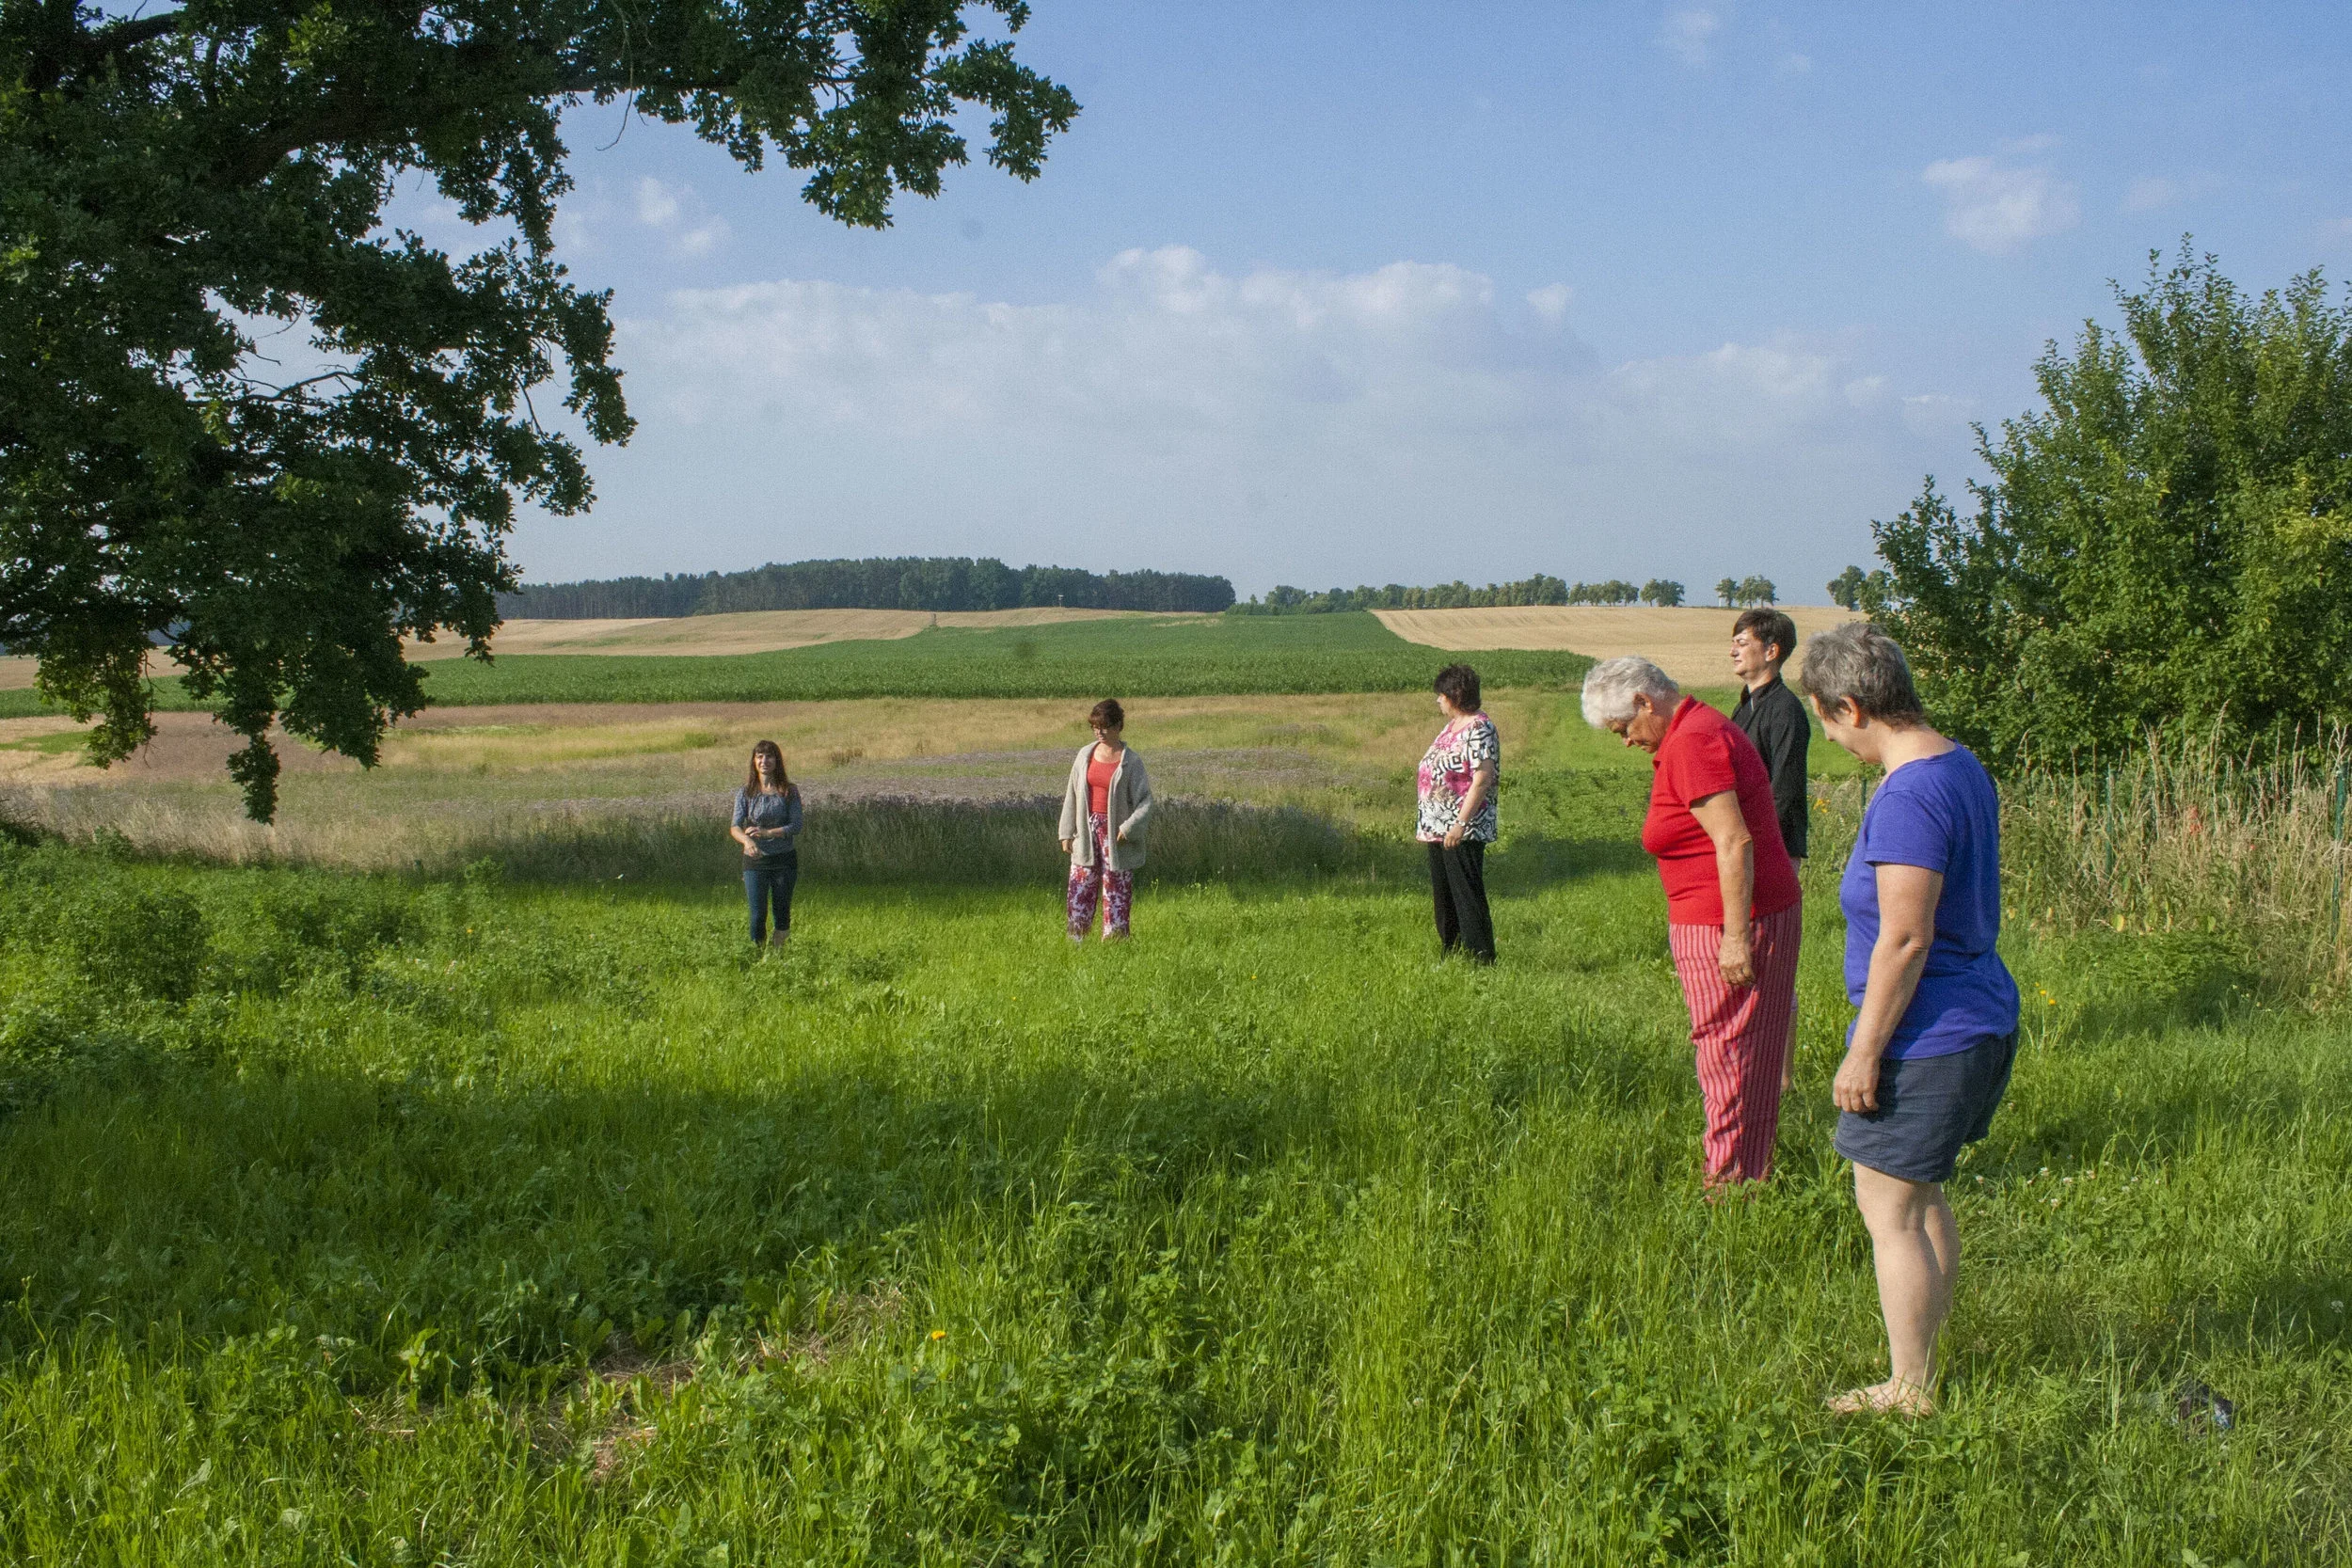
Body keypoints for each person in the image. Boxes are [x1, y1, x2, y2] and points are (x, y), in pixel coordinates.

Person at [1802, 622, 2019, 1417]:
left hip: (1929, 1034)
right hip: (1977, 1016)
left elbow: (1904, 935)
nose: (1829, 738)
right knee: (1922, 1199)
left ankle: (1910, 1387)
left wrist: (1864, 1053)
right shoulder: (1959, 765)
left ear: (1852, 706)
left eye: (1826, 722)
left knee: (1888, 1210)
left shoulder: (1909, 794)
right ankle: (1920, 1361)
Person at [1582, 656, 1801, 1185]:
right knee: (1751, 1055)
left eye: (1624, 728)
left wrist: (1733, 940)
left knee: (1725, 1058)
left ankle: (1726, 1188)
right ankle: (1752, 1178)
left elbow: (1733, 840)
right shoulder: (1698, 729)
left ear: (1644, 701)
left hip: (1730, 921)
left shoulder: (1692, 743)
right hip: (1751, 912)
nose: (1626, 742)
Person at [1418, 663, 1500, 963]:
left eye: (1441, 694)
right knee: (1444, 896)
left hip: (1463, 828)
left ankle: (1480, 959)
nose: (1437, 700)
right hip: (1437, 827)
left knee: (1466, 894)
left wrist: (1460, 823)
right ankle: (1450, 953)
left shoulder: (1479, 727)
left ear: (1455, 695)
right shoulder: (1452, 727)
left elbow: (1482, 777)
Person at [1058, 699, 1152, 941]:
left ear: (1118, 726)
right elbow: (1072, 793)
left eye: (1105, 726)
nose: (1099, 732)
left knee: (1116, 890)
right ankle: (1076, 940)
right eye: (1095, 727)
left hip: (1116, 836)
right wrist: (1066, 832)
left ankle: (1115, 943)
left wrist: (1129, 828)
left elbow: (1145, 801)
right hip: (1086, 832)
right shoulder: (1084, 755)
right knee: (1080, 887)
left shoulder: (1130, 761)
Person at [1730, 607, 1809, 861]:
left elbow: (1784, 788)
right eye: (1733, 644)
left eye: (1741, 644)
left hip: (1774, 847)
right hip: (1745, 841)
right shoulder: (1744, 707)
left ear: (1771, 651)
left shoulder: (1785, 710)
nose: (1732, 652)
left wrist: (1757, 841)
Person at [730, 739, 803, 948]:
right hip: (755, 861)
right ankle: (757, 956)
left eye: (769, 756)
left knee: (782, 913)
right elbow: (735, 826)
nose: (764, 761)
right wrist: (746, 841)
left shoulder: (789, 791)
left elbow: (796, 826)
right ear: (754, 761)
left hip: (784, 860)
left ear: (777, 760)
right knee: (757, 914)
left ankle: (777, 955)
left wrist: (767, 832)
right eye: (760, 756)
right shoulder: (745, 792)